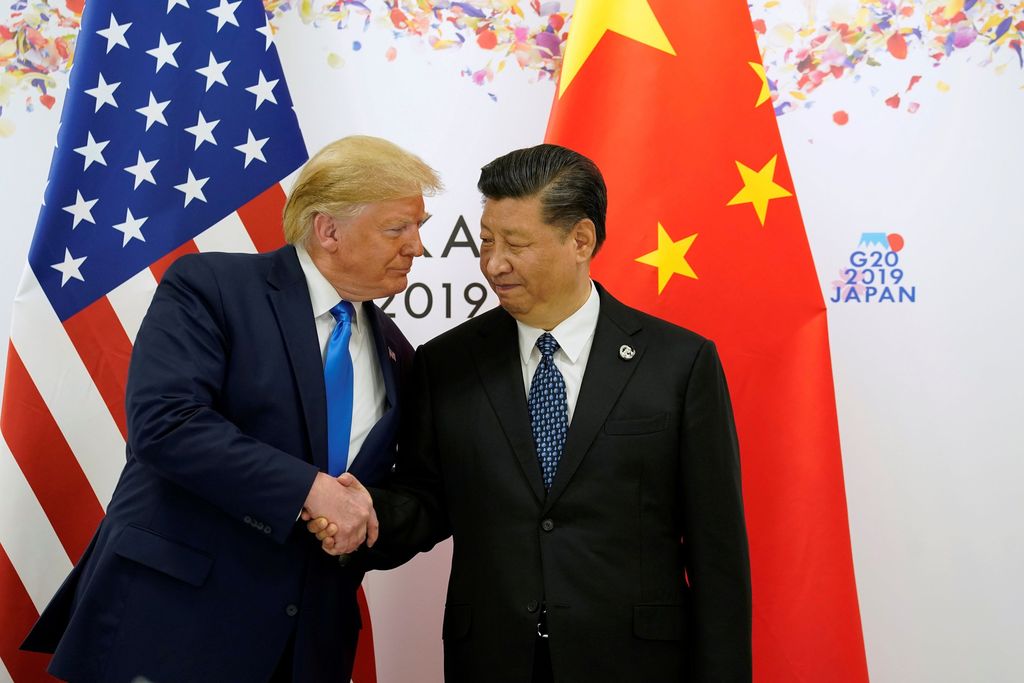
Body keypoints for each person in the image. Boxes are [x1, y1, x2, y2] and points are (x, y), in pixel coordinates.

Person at [312, 143, 752, 682]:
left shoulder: (679, 363)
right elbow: (426, 502)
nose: (494, 264)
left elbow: (717, 551)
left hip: (637, 662)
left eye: (516, 244)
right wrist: (364, 515)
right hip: (494, 660)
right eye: (487, 241)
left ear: (581, 240)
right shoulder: (447, 363)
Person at [21, 135, 442, 683]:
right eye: (398, 229)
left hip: (305, 649)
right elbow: (165, 423)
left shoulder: (392, 347)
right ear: (329, 229)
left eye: (419, 228)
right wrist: (310, 491)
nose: (417, 247)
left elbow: (404, 488)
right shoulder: (213, 287)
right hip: (174, 628)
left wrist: (366, 516)